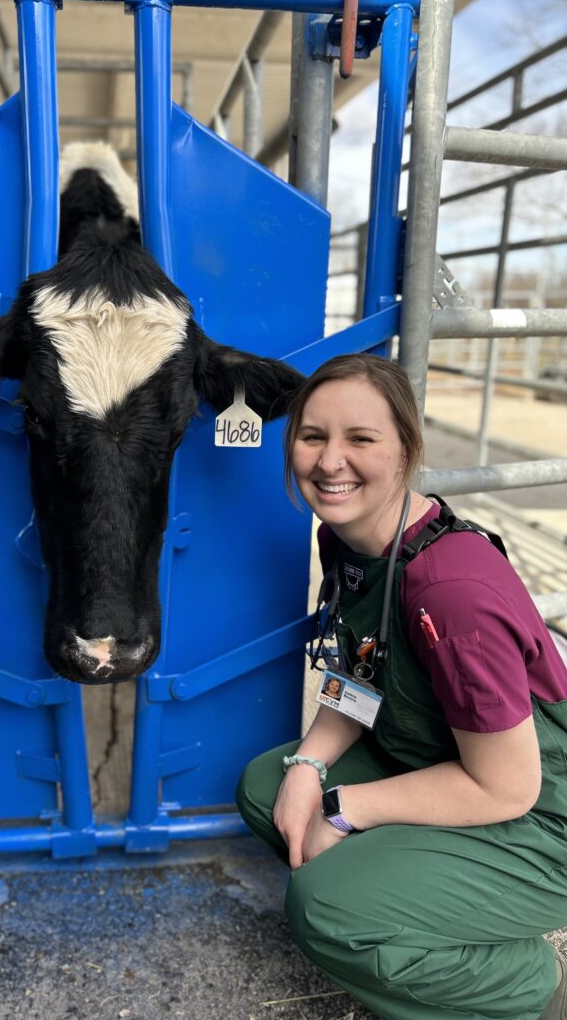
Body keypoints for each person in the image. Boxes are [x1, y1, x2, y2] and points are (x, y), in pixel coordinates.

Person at [236, 353, 567, 1020]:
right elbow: (358, 671)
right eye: (312, 436)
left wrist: (341, 809)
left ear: (407, 449)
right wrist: (309, 766)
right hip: (439, 763)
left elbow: (508, 787)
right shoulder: (348, 540)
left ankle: (532, 984)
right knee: (267, 787)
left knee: (323, 907)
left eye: (361, 439)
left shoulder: (450, 591)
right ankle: (421, 906)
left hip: (541, 821)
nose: (331, 462)